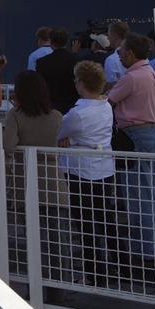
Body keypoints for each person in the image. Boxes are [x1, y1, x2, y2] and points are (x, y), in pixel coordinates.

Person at [2, 71, 73, 291]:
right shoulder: (57, 116)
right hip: (54, 182)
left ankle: (38, 287)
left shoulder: (15, 116)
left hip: (27, 183)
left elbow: (8, 146)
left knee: (33, 239)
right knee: (58, 239)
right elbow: (64, 143)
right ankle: (61, 287)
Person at [107, 33, 155, 270]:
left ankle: (145, 253)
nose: (119, 55)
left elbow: (107, 102)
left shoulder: (131, 78)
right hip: (150, 134)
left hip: (133, 138)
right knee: (150, 196)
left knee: (137, 198)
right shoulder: (150, 73)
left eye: (121, 51)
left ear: (131, 53)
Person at [58, 61, 117, 285]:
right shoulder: (106, 106)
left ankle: (95, 274)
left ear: (81, 83)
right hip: (105, 166)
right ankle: (120, 263)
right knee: (106, 218)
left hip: (81, 170)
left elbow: (60, 133)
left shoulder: (77, 114)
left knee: (86, 223)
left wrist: (71, 139)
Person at [35, 28, 80, 114]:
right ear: (66, 42)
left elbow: (39, 87)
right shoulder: (76, 60)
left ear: (51, 42)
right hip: (72, 109)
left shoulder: (41, 63)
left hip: (50, 109)